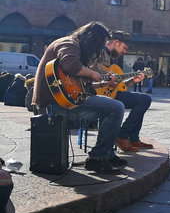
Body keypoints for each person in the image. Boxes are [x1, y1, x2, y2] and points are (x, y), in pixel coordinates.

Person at [31, 22, 126, 174]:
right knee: (116, 107)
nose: (97, 51)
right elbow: (71, 65)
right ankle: (98, 158)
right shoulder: (68, 43)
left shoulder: (72, 47)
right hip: (53, 104)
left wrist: (102, 81)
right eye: (98, 45)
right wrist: (94, 74)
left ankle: (106, 154)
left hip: (62, 100)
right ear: (91, 39)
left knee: (110, 107)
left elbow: (80, 85)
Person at [96, 31, 153, 152]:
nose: (124, 51)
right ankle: (122, 135)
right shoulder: (99, 53)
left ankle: (132, 138)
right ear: (116, 43)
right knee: (144, 100)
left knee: (143, 100)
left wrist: (133, 80)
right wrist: (108, 76)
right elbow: (93, 69)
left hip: (111, 93)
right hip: (100, 94)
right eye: (124, 48)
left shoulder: (111, 57)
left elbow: (119, 85)